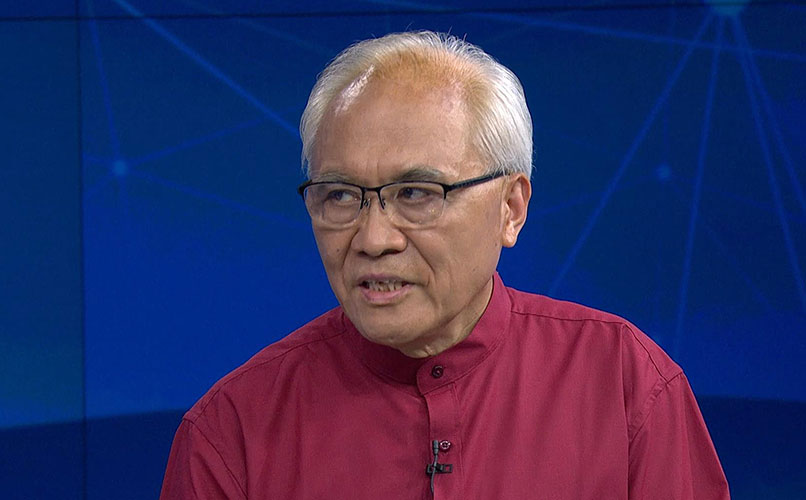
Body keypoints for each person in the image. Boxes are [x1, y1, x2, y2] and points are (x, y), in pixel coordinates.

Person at [160, 31, 729, 499]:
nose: (373, 239)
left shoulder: (627, 386)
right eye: (340, 196)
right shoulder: (231, 434)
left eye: (416, 193)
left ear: (511, 209)